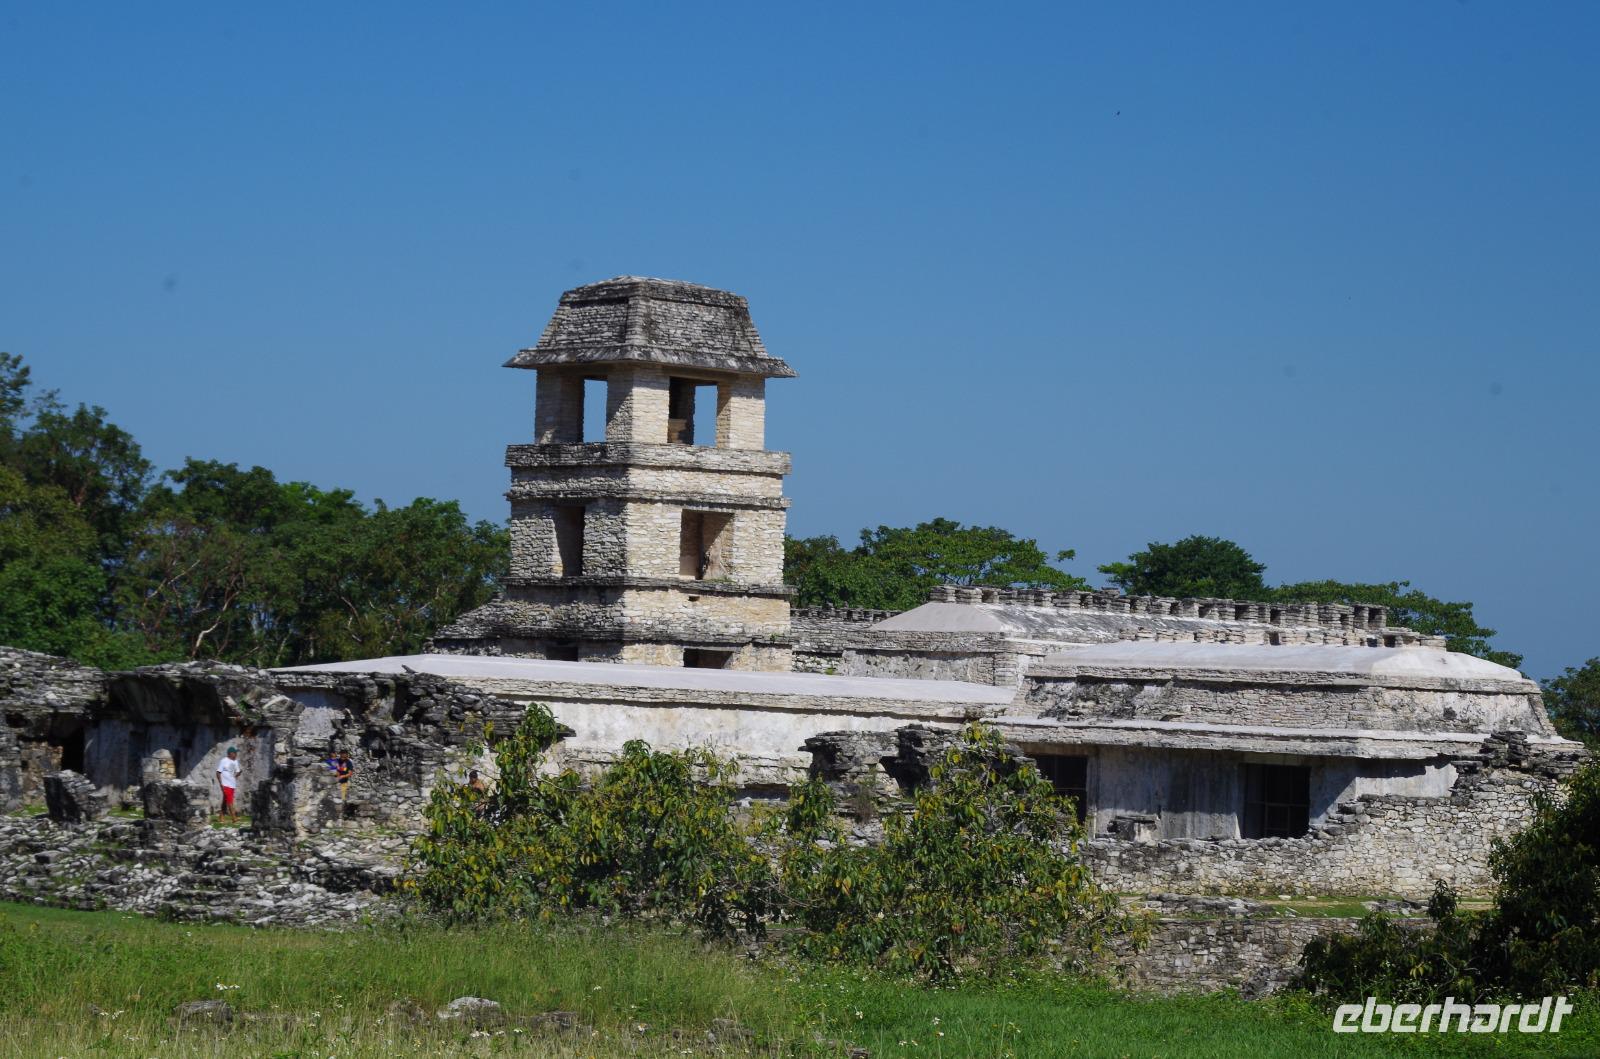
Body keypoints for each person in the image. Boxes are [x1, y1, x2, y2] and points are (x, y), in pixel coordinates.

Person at [215, 747, 242, 824]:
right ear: (230, 753)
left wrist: (239, 773)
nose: (236, 754)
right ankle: (234, 817)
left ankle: (221, 817)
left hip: (232, 784)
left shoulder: (235, 762)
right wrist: (221, 784)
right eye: (235, 753)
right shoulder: (224, 761)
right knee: (230, 801)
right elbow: (218, 773)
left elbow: (235, 774)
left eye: (236, 753)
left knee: (225, 800)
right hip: (225, 784)